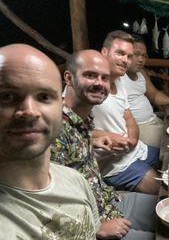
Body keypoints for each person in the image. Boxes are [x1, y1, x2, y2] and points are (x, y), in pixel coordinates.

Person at [51, 50, 157, 239]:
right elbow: (49, 203)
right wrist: (96, 228)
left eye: (104, 78)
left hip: (108, 199)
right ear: (68, 78)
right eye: (90, 75)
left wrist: (93, 141)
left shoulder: (85, 119)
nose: (99, 83)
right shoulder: (54, 130)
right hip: (90, 223)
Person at [0, 44, 100, 238]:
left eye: (44, 97)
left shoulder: (76, 181)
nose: (29, 111)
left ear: (60, 106)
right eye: (7, 97)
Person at [92, 30, 160, 195]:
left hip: (136, 149)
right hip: (113, 163)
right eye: (120, 53)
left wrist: (132, 139)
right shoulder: (88, 84)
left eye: (129, 56)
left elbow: (129, 118)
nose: (125, 60)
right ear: (104, 52)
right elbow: (70, 128)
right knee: (161, 188)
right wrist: (114, 138)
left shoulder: (120, 82)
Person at [120, 35, 169, 148]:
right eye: (136, 54)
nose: (141, 59)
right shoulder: (118, 76)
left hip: (153, 119)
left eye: (144, 56)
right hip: (138, 127)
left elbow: (154, 95)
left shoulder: (141, 72)